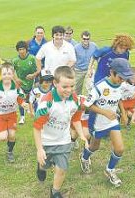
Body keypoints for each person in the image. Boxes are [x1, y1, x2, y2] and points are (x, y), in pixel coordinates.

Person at [33, 66, 88, 198]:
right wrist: (40, 149)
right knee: (45, 164)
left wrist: (82, 136)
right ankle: (41, 167)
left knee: (62, 169)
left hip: (64, 141)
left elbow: (75, 119)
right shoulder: (46, 104)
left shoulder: (75, 100)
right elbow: (37, 127)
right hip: (46, 141)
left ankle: (55, 192)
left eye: (72, 86)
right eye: (65, 87)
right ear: (55, 83)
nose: (69, 90)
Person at [79, 58, 134, 187]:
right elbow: (86, 106)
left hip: (112, 121)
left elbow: (119, 99)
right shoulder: (99, 87)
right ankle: (84, 157)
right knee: (94, 147)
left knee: (120, 149)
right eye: (120, 77)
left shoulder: (121, 85)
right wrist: (104, 112)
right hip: (98, 123)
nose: (123, 80)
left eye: (125, 77)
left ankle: (110, 170)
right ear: (112, 72)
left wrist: (124, 114)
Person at [0, 62, 27, 162]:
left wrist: (23, 103)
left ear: (13, 74)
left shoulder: (16, 86)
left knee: (12, 135)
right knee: (3, 137)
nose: (7, 76)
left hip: (11, 115)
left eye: (9, 73)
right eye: (4, 74)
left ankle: (10, 152)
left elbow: (20, 98)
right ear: (0, 75)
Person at [12, 41, 38, 124]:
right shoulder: (15, 61)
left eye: (23, 49)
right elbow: (11, 71)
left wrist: (33, 75)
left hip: (32, 83)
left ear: (26, 49)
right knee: (21, 99)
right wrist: (16, 79)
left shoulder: (32, 58)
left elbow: (38, 70)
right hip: (21, 84)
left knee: (33, 100)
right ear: (17, 50)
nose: (21, 51)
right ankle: (22, 117)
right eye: (20, 49)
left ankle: (35, 115)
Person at [74, 31, 98, 95]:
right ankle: (77, 102)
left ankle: (89, 102)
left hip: (90, 70)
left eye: (87, 39)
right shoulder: (76, 47)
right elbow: (73, 59)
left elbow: (97, 56)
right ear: (81, 39)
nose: (86, 41)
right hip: (79, 70)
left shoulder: (94, 46)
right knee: (77, 88)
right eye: (84, 39)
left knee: (90, 87)